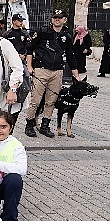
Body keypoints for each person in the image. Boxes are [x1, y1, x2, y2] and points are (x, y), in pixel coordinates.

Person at [24, 9, 79, 138]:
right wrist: (29, 66)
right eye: (55, 17)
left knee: (51, 101)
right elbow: (30, 48)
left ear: (64, 19)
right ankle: (29, 124)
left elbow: (71, 56)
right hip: (41, 70)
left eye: (60, 17)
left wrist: (76, 75)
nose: (57, 19)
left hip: (57, 72)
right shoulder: (43, 32)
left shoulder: (67, 36)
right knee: (36, 100)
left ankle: (45, 125)